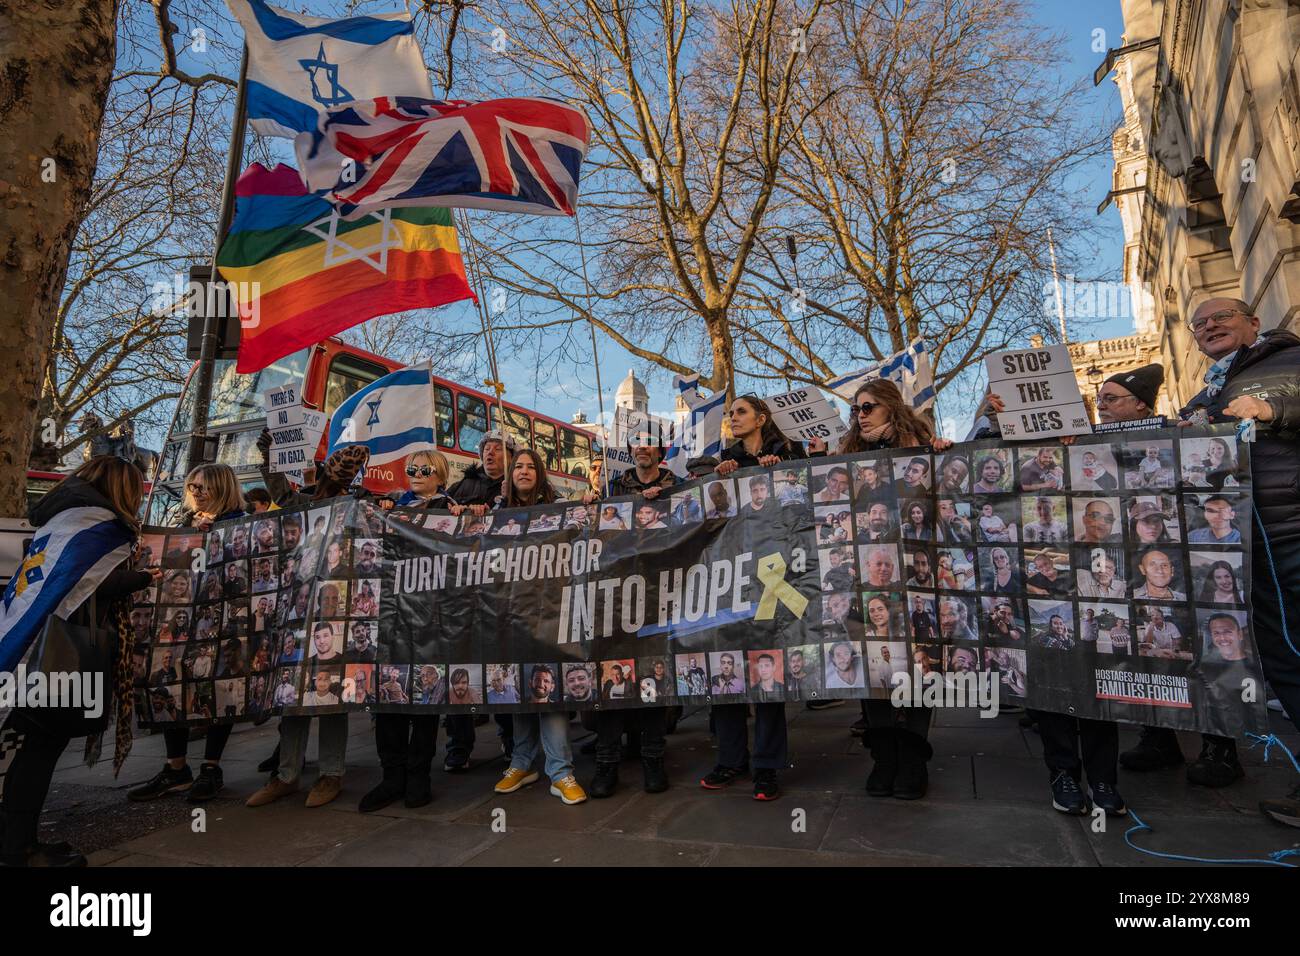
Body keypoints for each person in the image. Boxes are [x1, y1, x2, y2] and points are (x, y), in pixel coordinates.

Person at [1, 458, 159, 867]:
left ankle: (16, 840)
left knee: (32, 748)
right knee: (42, 749)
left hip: (30, 649)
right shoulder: (100, 526)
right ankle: (19, 850)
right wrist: (143, 577)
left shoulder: (63, 518)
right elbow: (91, 585)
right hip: (59, 656)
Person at [810, 379, 952, 801]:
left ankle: (913, 761)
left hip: (911, 577)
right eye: (856, 409)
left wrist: (944, 458)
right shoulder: (849, 456)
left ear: (891, 406)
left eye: (868, 406)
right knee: (873, 668)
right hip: (864, 579)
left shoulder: (921, 451)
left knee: (920, 666)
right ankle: (884, 757)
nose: (861, 414)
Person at [244, 446, 372, 811]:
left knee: (331, 693)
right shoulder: (299, 501)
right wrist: (270, 452)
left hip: (335, 612)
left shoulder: (357, 504)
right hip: (296, 613)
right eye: (338, 469)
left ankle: (331, 773)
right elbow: (277, 490)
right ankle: (286, 775)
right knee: (291, 697)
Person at [704, 395, 807, 802]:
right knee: (725, 671)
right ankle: (731, 759)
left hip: (772, 574)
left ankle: (767, 766)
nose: (733, 418)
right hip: (731, 578)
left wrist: (785, 473)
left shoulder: (789, 453)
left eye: (740, 412)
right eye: (731, 413)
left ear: (762, 419)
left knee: (768, 670)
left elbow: (803, 505)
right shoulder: (722, 460)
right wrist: (718, 476)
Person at [129, 463, 246, 806]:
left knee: (217, 689)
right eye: (192, 486)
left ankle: (211, 768)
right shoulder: (181, 524)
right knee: (171, 685)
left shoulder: (239, 523)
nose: (196, 492)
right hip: (179, 621)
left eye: (204, 487)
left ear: (222, 488)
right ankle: (175, 768)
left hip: (220, 623)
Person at [485, 448, 589, 805]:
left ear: (540, 474)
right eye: (519, 467)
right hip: (511, 613)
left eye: (531, 467)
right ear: (510, 475)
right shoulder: (498, 513)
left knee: (550, 690)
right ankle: (522, 763)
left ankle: (560, 772)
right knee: (519, 690)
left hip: (550, 612)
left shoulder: (560, 508)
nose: (525, 471)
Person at [589, 434, 675, 799]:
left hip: (659, 595)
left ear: (659, 451)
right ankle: (606, 763)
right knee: (613, 677)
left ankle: (653, 759)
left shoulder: (678, 488)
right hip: (617, 596)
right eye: (636, 444)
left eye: (649, 443)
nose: (642, 448)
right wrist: (590, 505)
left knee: (652, 678)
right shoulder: (613, 488)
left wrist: (666, 503)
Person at [443, 433, 514, 767]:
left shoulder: (515, 488)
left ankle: (510, 738)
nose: (491, 454)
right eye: (486, 450)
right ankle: (459, 745)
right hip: (464, 590)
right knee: (459, 664)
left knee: (500, 666)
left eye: (498, 450)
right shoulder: (463, 487)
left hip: (501, 590)